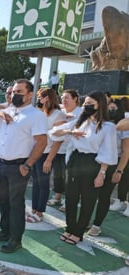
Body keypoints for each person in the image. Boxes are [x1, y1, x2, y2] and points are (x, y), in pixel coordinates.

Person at [0, 79, 47, 253]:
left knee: (16, 203)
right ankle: (5, 231)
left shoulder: (35, 115)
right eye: (12, 92)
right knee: (2, 200)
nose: (14, 95)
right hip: (2, 164)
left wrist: (28, 165)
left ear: (30, 95)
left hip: (19, 166)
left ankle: (16, 239)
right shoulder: (7, 110)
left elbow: (41, 143)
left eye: (19, 92)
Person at [50, 91, 117, 245]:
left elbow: (108, 152)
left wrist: (102, 173)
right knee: (71, 197)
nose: (86, 106)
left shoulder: (108, 127)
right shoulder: (80, 121)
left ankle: (79, 232)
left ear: (100, 105)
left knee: (88, 199)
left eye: (90, 104)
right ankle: (70, 228)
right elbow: (54, 132)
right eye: (85, 103)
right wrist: (70, 131)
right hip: (75, 160)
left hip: (93, 162)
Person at [88, 99, 129, 235]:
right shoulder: (100, 123)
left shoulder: (123, 126)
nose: (111, 111)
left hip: (113, 163)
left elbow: (126, 151)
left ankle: (96, 224)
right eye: (109, 108)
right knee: (90, 193)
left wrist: (119, 170)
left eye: (114, 109)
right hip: (95, 160)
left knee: (104, 196)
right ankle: (85, 221)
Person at [27, 88, 66, 223]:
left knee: (43, 184)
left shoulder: (58, 115)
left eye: (40, 97)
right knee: (36, 183)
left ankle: (40, 212)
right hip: (36, 152)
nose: (38, 99)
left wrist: (49, 159)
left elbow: (58, 140)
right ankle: (34, 209)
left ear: (47, 98)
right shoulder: (40, 113)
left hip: (47, 153)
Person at [47, 89, 82, 210]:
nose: (63, 100)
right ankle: (57, 196)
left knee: (70, 177)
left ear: (75, 99)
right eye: (62, 98)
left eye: (67, 97)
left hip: (73, 150)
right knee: (58, 174)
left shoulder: (81, 113)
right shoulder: (61, 112)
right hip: (59, 148)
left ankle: (69, 200)